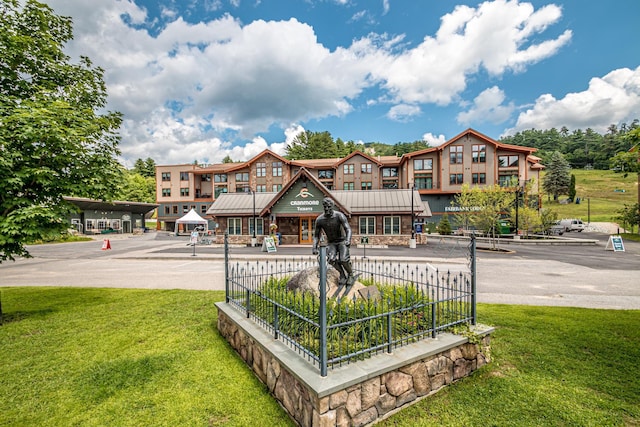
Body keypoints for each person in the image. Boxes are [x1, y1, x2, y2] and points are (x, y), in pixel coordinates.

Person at [312, 197, 355, 286]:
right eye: (325, 207)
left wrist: (348, 240)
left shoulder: (339, 216)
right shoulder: (320, 219)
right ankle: (342, 274)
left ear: (333, 206)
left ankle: (350, 274)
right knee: (331, 259)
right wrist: (314, 247)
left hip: (342, 241)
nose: (327, 209)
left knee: (343, 259)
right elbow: (316, 235)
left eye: (329, 207)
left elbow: (348, 229)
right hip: (331, 243)